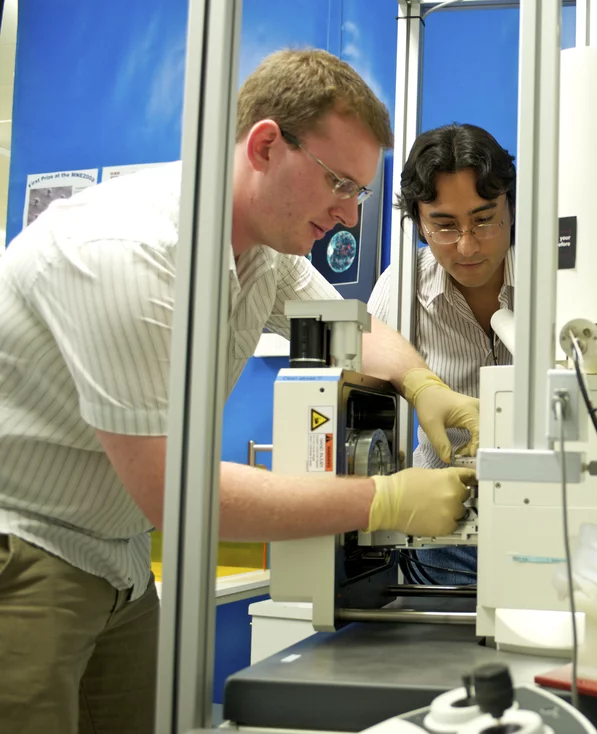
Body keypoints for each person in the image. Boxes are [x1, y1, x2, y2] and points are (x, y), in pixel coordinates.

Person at [0, 49, 479, 733]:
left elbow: (352, 325)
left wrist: (423, 384)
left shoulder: (265, 253)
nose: (349, 216)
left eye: (359, 194)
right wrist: (385, 498)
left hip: (117, 559)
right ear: (265, 146)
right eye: (339, 184)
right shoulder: (124, 254)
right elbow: (177, 493)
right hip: (26, 555)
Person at [368, 123, 516, 584]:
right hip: (445, 537)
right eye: (445, 226)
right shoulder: (402, 289)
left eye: (484, 219)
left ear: (511, 207)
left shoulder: (563, 275)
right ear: (419, 222)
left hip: (549, 522)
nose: (467, 245)